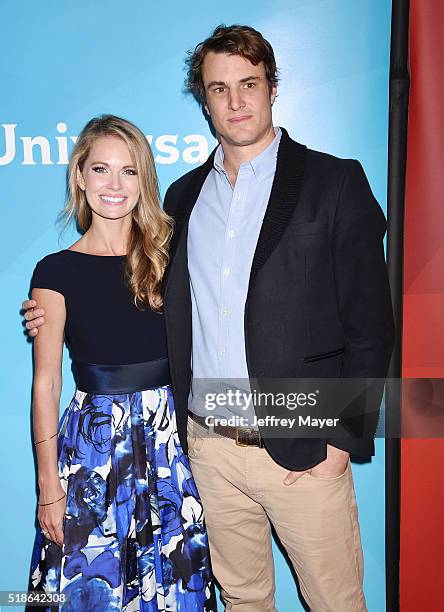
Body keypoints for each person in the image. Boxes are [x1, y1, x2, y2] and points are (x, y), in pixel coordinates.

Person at [24, 25, 395, 612]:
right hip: (204, 450)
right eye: (219, 89)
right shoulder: (183, 198)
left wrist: (341, 440)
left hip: (303, 444)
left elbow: (371, 324)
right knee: (241, 600)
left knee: (336, 602)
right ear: (205, 101)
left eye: (249, 84)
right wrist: (48, 312)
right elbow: (130, 296)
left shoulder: (335, 181)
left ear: (273, 87)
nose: (236, 101)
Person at [24, 115, 215, 611]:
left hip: (172, 443)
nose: (114, 185)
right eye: (101, 170)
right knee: (81, 584)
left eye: (129, 172)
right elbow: (45, 384)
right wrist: (48, 485)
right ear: (80, 177)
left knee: (176, 583)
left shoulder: (174, 254)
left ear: (143, 180)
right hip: (92, 449)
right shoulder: (55, 271)